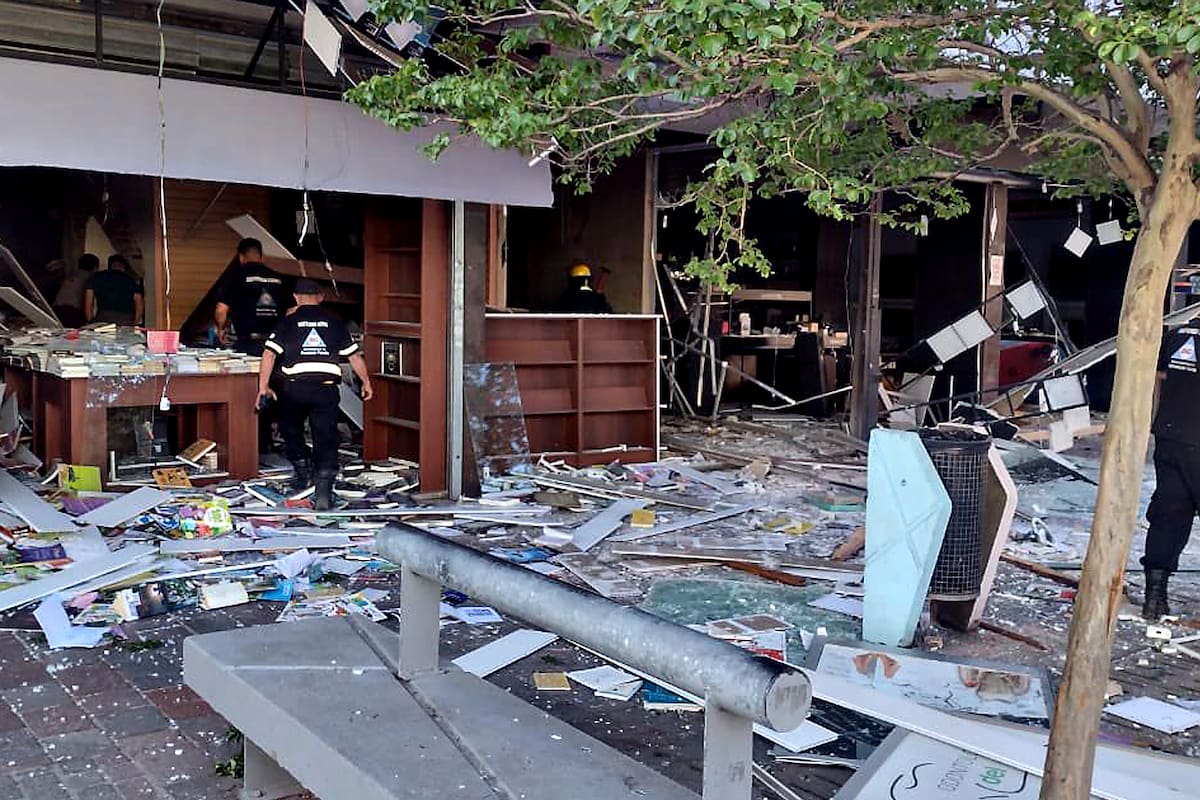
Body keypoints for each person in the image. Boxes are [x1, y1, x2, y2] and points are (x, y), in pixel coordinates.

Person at [257, 278, 373, 510]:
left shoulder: (288, 322)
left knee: (290, 429)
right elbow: (354, 356)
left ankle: (302, 473)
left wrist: (263, 386)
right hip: (326, 388)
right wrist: (366, 382)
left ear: (296, 298)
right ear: (320, 297)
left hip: (295, 388)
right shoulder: (334, 322)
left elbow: (269, 354)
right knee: (326, 437)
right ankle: (323, 489)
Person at [1142, 323, 1200, 618]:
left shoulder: (1179, 336)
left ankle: (1154, 599)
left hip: (1171, 437)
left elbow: (1158, 380)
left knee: (1169, 516)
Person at [214, 238, 292, 355]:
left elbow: (221, 310)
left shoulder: (235, 277)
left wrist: (221, 329)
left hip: (247, 343)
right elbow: (291, 310)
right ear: (261, 256)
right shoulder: (279, 278)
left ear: (241, 257)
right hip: (276, 342)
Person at [85, 254, 144, 325]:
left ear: (109, 266)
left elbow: (88, 302)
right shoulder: (131, 280)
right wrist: (135, 322)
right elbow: (139, 304)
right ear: (123, 267)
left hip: (103, 318)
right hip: (126, 319)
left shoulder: (97, 277)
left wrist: (90, 321)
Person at [52, 255, 93, 328]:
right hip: (72, 312)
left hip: (56, 309)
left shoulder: (71, 275)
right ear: (95, 268)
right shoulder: (90, 278)